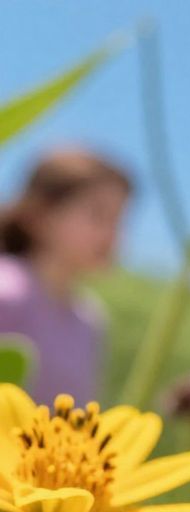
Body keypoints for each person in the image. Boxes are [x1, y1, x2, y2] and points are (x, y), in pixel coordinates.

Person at [0, 148, 133, 403]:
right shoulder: (6, 291)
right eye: (98, 215)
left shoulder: (90, 320)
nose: (112, 233)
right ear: (39, 216)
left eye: (119, 219)